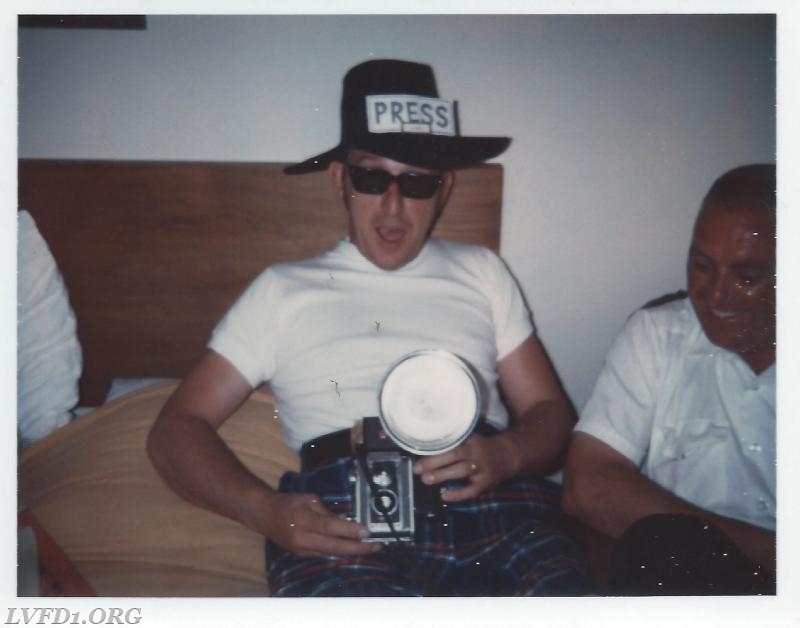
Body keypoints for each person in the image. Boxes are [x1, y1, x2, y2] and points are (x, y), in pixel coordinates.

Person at [147, 59, 588, 596]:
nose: (393, 207)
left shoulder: (483, 272)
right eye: (372, 176)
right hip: (346, 519)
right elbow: (175, 430)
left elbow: (549, 412)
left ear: (444, 188)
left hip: (497, 506)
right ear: (340, 180)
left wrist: (506, 455)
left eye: (417, 182)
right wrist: (265, 511)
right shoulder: (282, 290)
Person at [563, 164, 776, 595]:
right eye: (701, 265)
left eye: (747, 276)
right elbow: (587, 485)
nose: (716, 295)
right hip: (689, 577)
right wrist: (769, 552)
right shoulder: (657, 334)